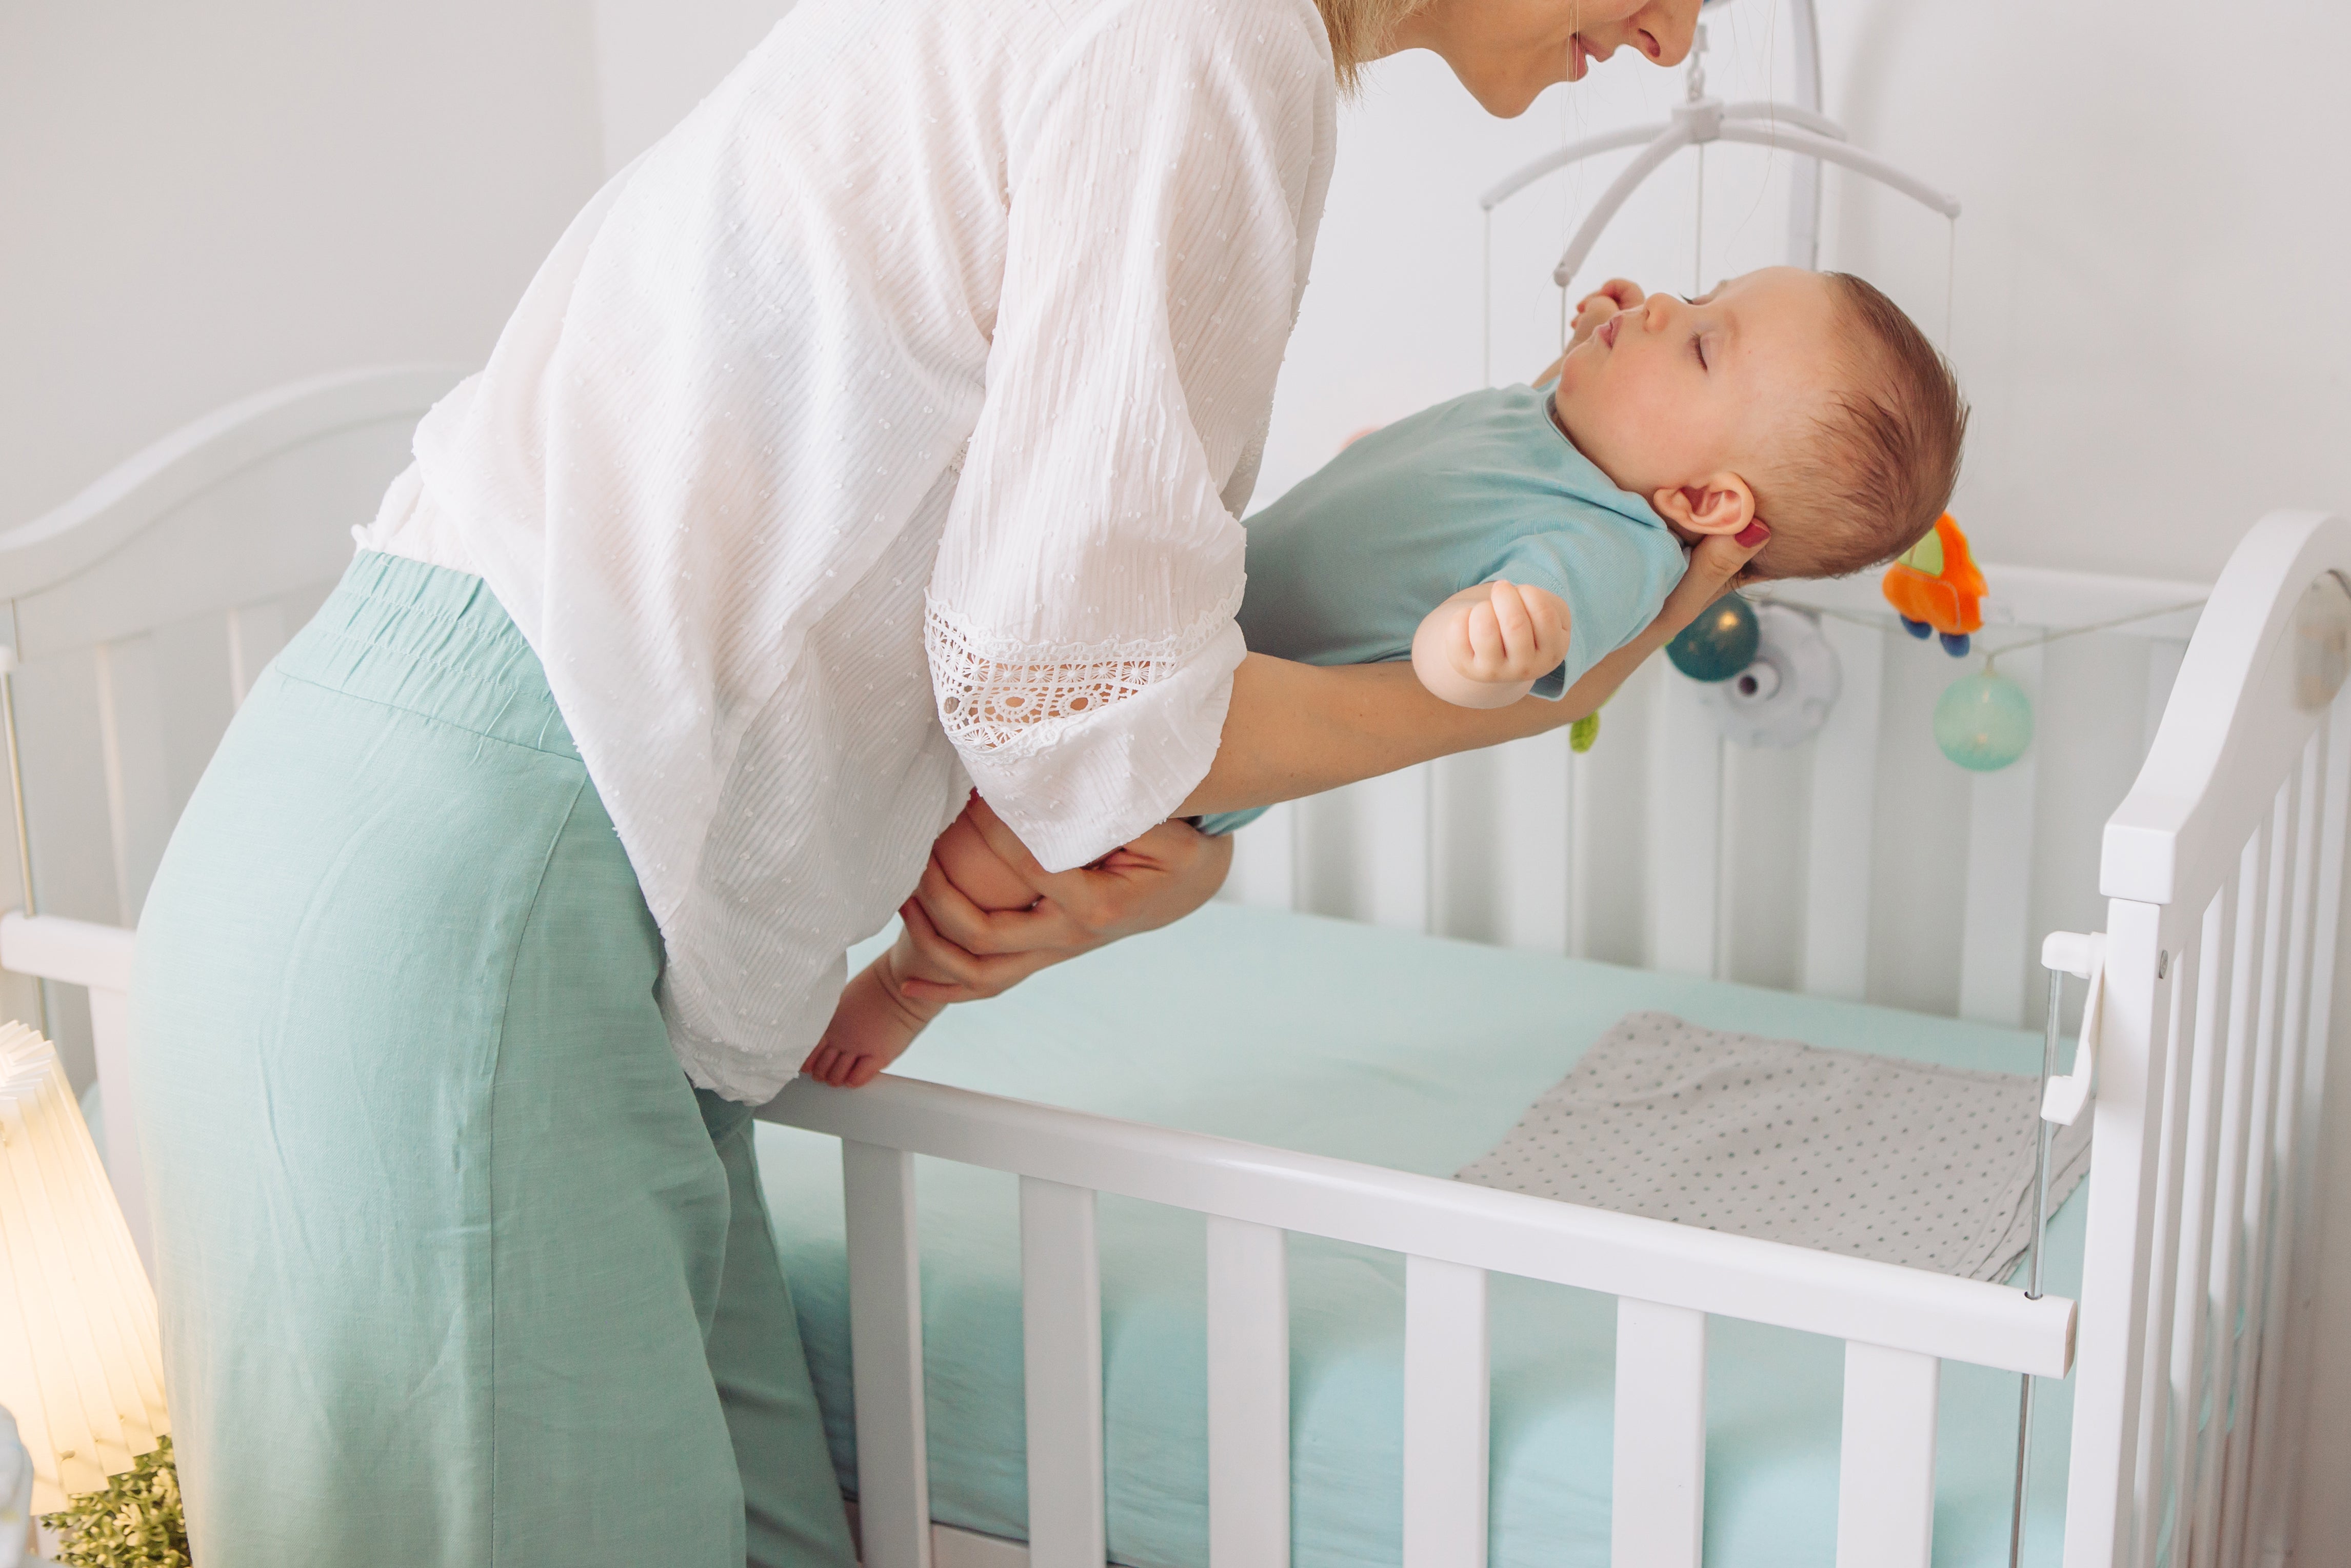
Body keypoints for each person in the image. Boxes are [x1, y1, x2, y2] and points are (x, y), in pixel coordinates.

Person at [126, 2, 1750, 1564]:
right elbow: (1072, 687)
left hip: (535, 880)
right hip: (483, 891)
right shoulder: (1201, 36)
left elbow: (1075, 655)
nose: (1676, 42)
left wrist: (1156, 802)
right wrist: (1512, 709)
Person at [807, 266, 1968, 1086]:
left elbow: (1524, 653)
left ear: (1707, 507)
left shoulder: (1606, 549)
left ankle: (907, 989)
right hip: (1169, 641)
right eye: (1703, 293)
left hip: (1178, 762)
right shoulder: (1558, 431)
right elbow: (1506, 453)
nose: (1666, 303)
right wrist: (1612, 340)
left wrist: (1486, 644)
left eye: (1704, 342)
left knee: (983, 863)